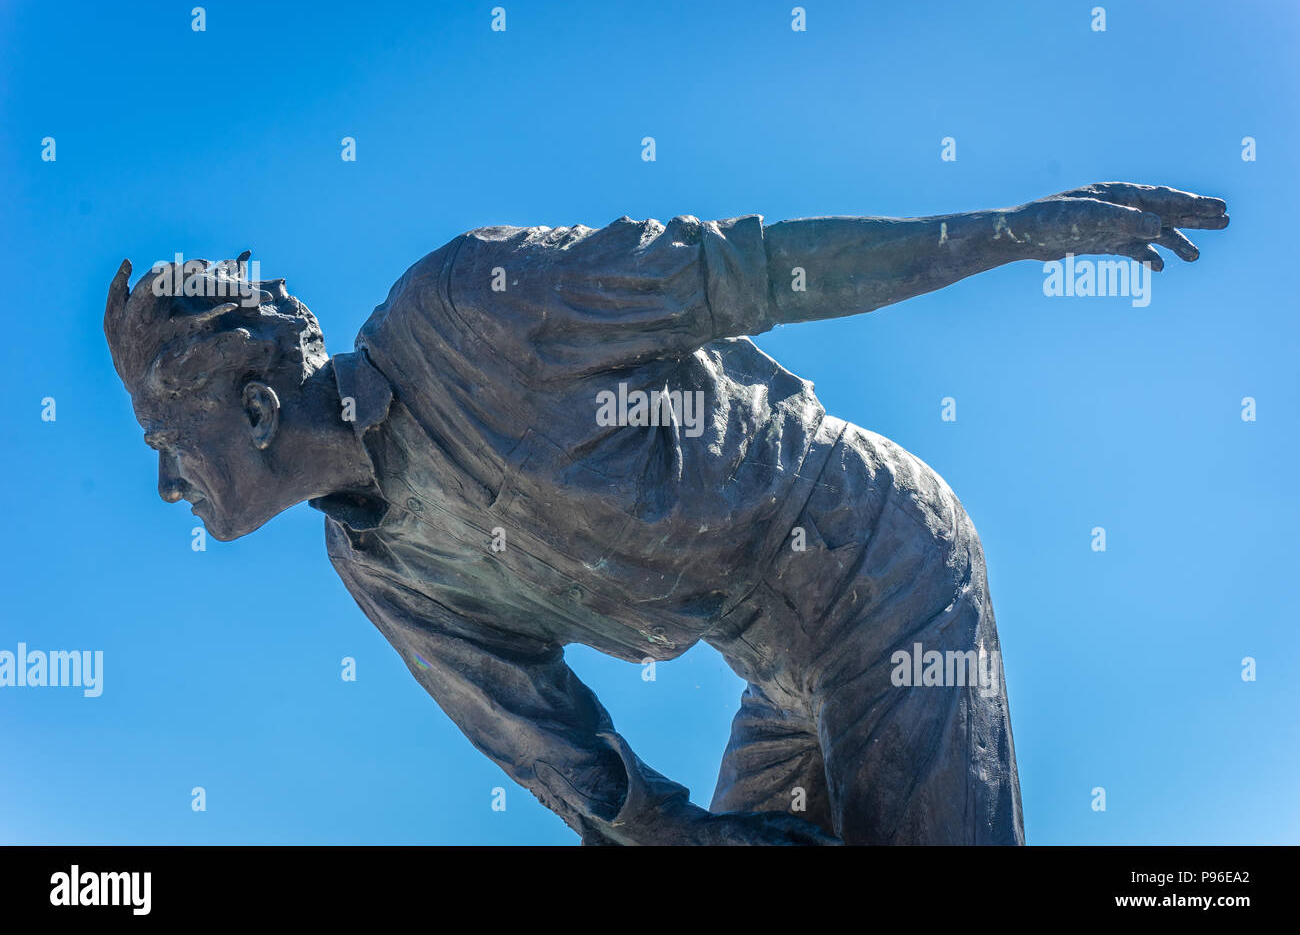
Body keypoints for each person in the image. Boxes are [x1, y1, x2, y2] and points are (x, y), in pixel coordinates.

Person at [104, 183, 1228, 844]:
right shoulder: (378, 564)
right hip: (772, 660)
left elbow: (753, 271)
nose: (167, 486)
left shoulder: (469, 309)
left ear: (254, 407)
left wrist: (1011, 233)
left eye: (166, 447)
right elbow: (578, 767)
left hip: (874, 556)